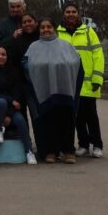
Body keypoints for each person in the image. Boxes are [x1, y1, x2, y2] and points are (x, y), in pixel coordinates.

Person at [23, 17, 83, 164]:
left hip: (65, 90)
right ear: (39, 30)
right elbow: (26, 64)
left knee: (67, 120)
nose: (46, 30)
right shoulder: (33, 47)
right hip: (45, 91)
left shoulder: (66, 45)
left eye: (49, 27)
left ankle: (68, 151)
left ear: (54, 28)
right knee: (48, 121)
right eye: (43, 27)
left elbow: (76, 62)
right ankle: (51, 151)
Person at [57, 2, 105, 157]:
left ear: (78, 14)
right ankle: (83, 144)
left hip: (88, 83)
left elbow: (98, 55)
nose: (71, 14)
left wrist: (97, 78)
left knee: (91, 116)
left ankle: (97, 145)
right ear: (64, 14)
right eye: (68, 11)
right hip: (69, 84)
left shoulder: (88, 32)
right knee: (76, 117)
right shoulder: (58, 33)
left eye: (73, 11)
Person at [0, 44, 37, 164]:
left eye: (3, 54)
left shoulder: (13, 73)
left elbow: (17, 95)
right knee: (1, 102)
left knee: (20, 120)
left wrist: (8, 114)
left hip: (10, 110)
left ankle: (29, 152)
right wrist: (10, 101)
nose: (0, 57)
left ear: (7, 57)